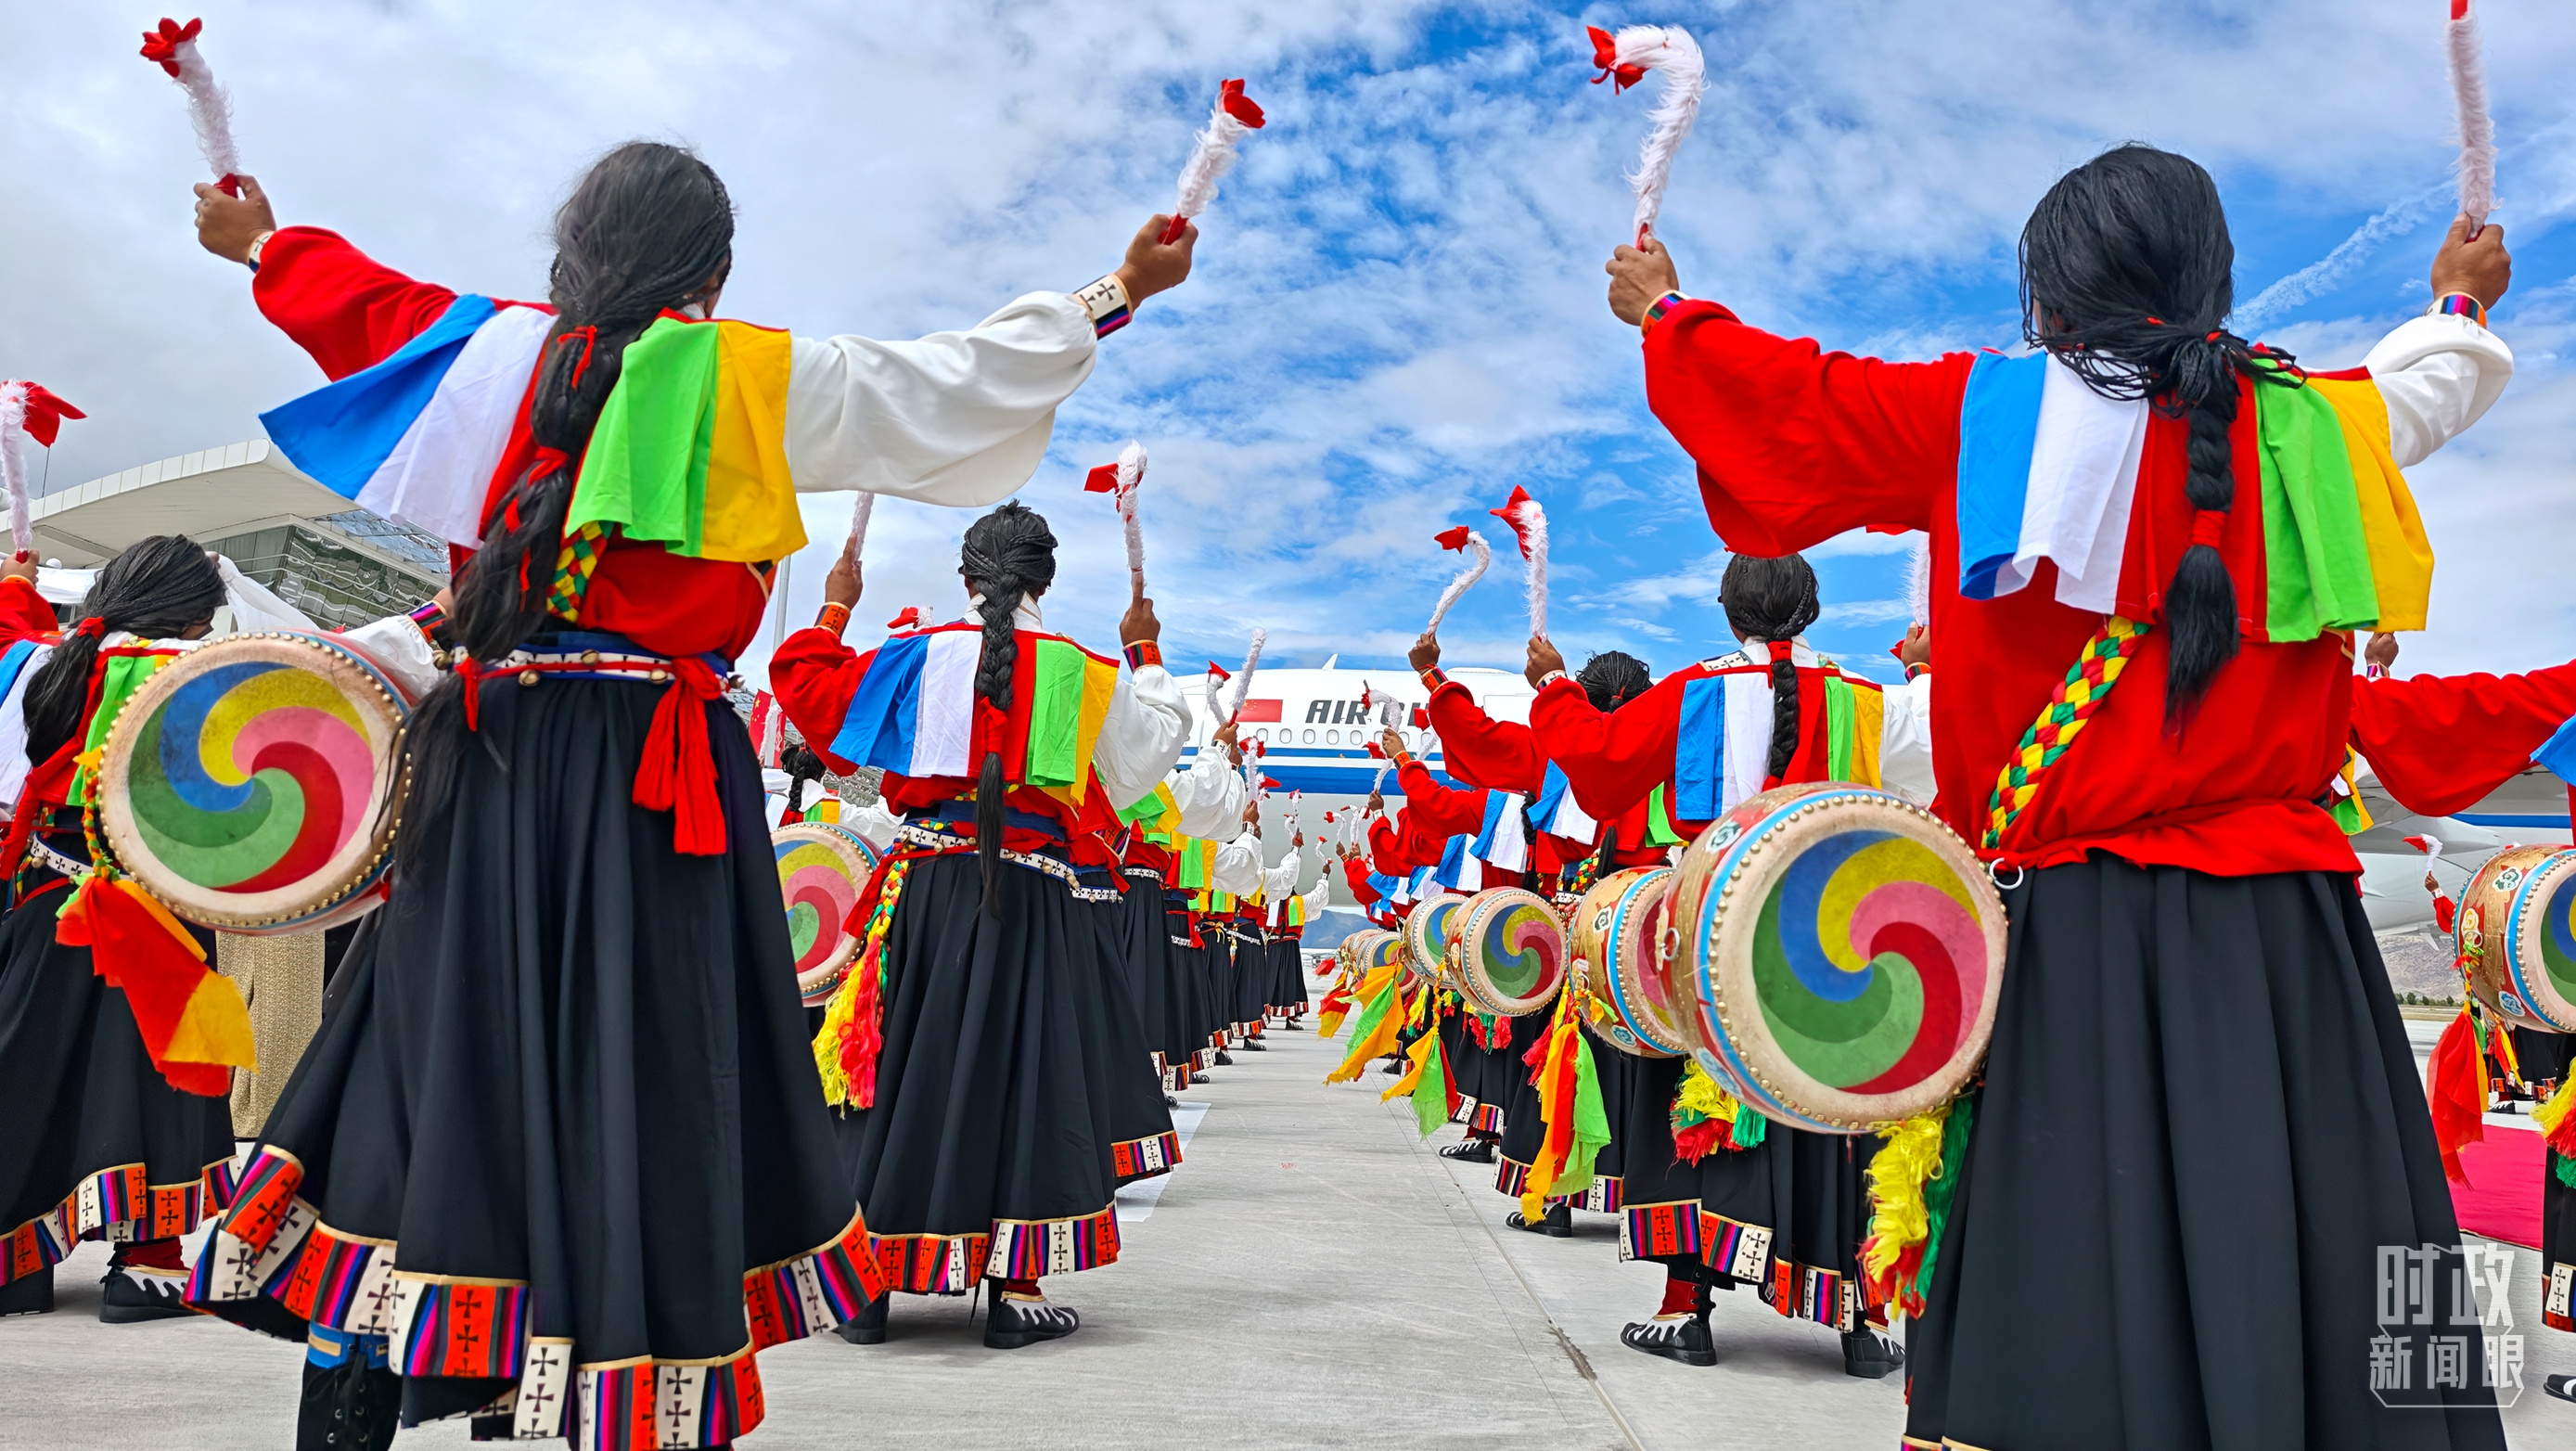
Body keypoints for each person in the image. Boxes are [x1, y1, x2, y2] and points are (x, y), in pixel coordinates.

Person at [181, 140, 1193, 1446]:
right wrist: (1118, 289)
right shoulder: (744, 379)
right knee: (648, 1081)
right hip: (657, 789)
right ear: (711, 275)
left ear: (571, 253)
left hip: (487, 768)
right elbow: (953, 381)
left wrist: (263, 242)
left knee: (429, 1065)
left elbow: (352, 299)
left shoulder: (480, 350)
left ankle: (362, 1386)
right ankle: (612, 1374)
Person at [1606, 143, 2513, 1445]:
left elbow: (1784, 400)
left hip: (2082, 938)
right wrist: (2457, 297)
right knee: (2344, 1264)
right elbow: (2431, 384)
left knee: (2073, 1286)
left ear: (2047, 294)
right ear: (2211, 278)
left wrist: (1666, 313)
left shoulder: (1983, 415)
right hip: (2298, 951)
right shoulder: (2321, 425)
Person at [770, 502, 1189, 1348]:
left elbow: (809, 693)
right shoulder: (1081, 671)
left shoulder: (913, 655)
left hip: (923, 893)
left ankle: (866, 1290)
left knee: (892, 1070)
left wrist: (836, 606)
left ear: (965, 575)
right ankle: (1014, 1294)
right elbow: (1145, 760)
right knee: (1027, 1078)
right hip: (1034, 900)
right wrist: (1144, 652)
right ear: (1046, 582)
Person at [1523, 552, 1925, 1378]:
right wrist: (1920, 672)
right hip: (1830, 939)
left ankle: (1686, 1310)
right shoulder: (1864, 699)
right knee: (1834, 1110)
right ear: (1811, 611)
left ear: (1727, 610)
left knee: (1692, 1107)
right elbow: (1936, 762)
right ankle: (1859, 1321)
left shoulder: (1691, 691)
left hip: (1706, 935)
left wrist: (1554, 686)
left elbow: (1597, 770)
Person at [0, 544, 271, 1323]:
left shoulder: (41, 664)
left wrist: (18, 584)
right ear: (187, 619)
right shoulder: (199, 673)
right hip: (158, 913)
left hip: (48, 903)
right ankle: (147, 1265)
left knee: (27, 1073)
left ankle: (14, 1262)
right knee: (167, 1075)